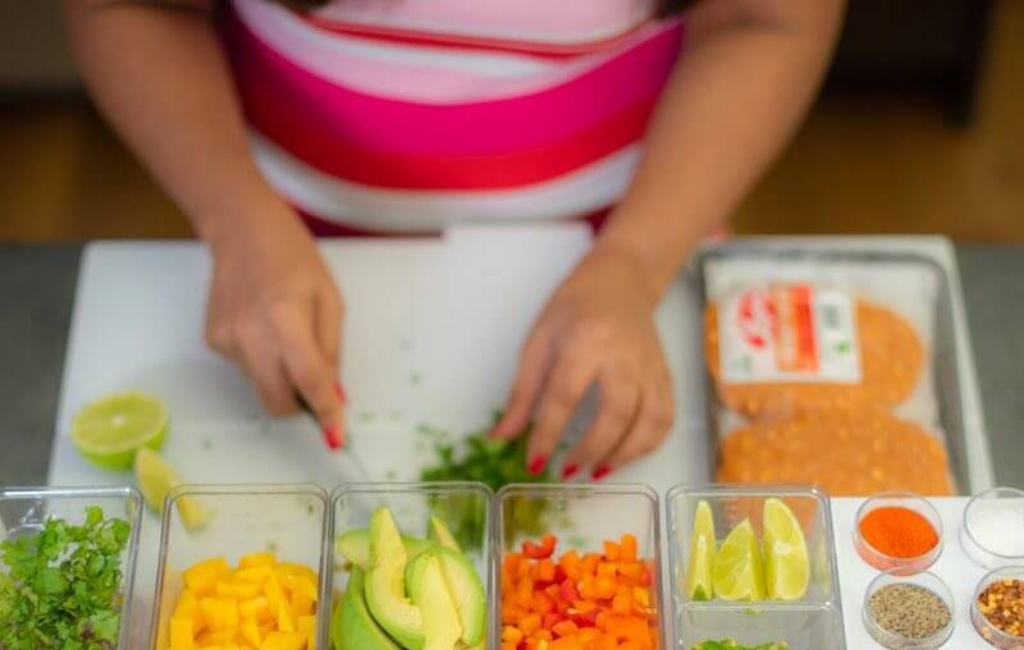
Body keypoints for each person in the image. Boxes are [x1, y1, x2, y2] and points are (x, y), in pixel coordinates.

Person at [65, 0, 844, 480]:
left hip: (633, 231)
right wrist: (234, 218)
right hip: (282, 229)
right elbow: (133, 7)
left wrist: (635, 263)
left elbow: (764, 18)